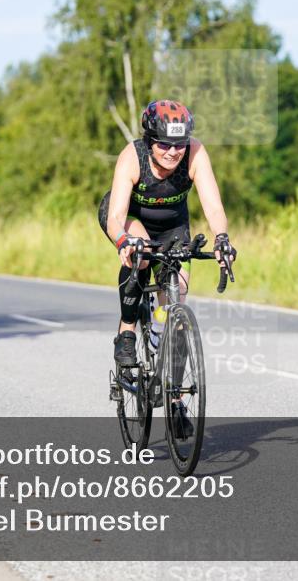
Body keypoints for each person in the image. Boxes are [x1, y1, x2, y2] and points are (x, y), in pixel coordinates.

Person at [98, 100, 236, 433]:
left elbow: (213, 204)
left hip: (173, 225)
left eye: (179, 144)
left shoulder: (195, 153)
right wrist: (122, 242)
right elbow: (116, 215)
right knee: (141, 254)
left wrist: (221, 238)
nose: (173, 152)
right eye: (164, 144)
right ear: (149, 141)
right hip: (130, 219)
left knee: (177, 297)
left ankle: (175, 401)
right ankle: (127, 332)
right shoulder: (132, 157)